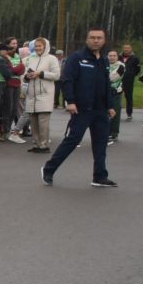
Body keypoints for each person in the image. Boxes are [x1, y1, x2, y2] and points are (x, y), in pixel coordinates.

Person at [41, 26, 117, 187]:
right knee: (72, 140)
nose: (96, 40)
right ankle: (49, 169)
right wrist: (70, 101)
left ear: (104, 40)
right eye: (93, 37)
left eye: (99, 38)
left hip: (101, 110)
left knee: (101, 144)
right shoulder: (77, 58)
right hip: (82, 109)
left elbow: (106, 84)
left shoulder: (103, 59)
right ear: (87, 39)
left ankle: (99, 176)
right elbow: (67, 80)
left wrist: (110, 105)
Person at [23, 37, 62, 152]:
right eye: (36, 46)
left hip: (45, 93)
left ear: (45, 46)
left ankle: (44, 145)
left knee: (43, 120)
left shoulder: (51, 59)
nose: (38, 48)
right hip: (31, 93)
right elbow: (24, 75)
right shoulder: (31, 58)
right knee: (33, 120)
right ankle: (36, 144)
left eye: (40, 46)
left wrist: (41, 74)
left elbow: (56, 75)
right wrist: (27, 76)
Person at [119, 41, 141, 119]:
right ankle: (116, 112)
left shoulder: (135, 58)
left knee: (128, 97)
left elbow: (138, 69)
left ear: (131, 49)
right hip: (118, 80)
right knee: (117, 96)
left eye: (128, 48)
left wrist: (131, 74)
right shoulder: (119, 57)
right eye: (125, 48)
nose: (126, 49)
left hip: (129, 81)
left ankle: (129, 113)